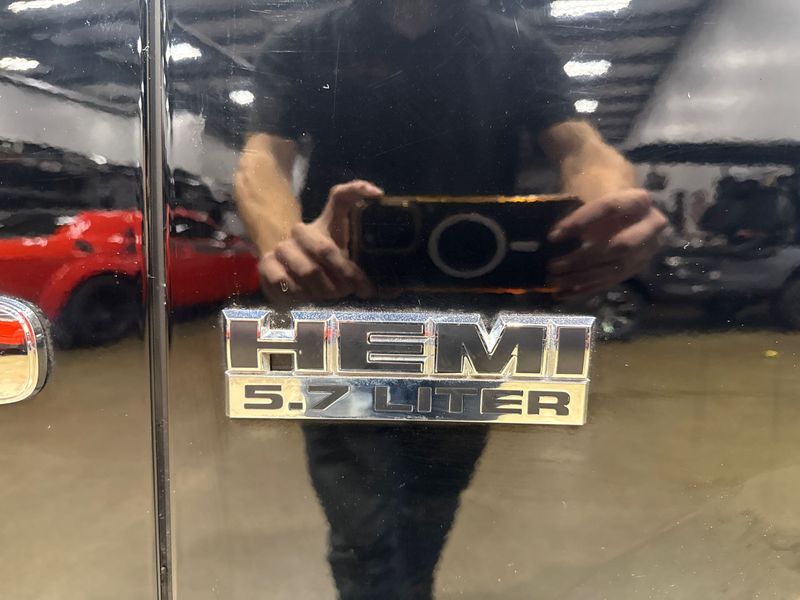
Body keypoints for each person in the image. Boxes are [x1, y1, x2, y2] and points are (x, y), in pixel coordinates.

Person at [234, 1, 667, 598]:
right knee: (361, 524)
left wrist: (609, 208)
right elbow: (263, 158)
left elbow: (582, 150)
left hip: (464, 315)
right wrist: (285, 243)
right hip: (349, 306)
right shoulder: (309, 42)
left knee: (433, 501)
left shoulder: (516, 47)